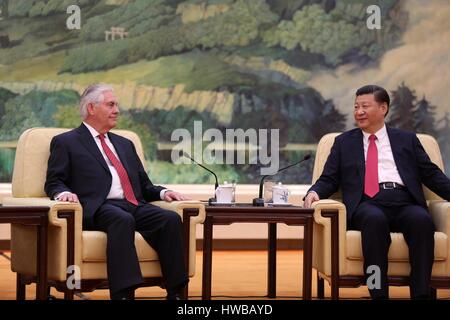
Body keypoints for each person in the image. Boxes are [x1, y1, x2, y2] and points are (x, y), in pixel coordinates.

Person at [45, 84, 191, 300]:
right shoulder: (67, 142)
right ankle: (124, 294)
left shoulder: (125, 143)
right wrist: (62, 194)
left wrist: (164, 193)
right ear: (92, 108)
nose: (117, 110)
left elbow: (144, 185)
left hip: (133, 204)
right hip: (98, 207)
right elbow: (54, 181)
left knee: (169, 219)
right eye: (111, 105)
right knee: (121, 220)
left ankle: (176, 292)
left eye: (117, 105)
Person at [303, 84, 450, 299]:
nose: (359, 112)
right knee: (374, 221)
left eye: (365, 106)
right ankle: (378, 292)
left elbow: (432, 176)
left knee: (422, 221)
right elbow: (329, 178)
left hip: (404, 201)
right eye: (356, 107)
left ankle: (421, 295)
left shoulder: (407, 140)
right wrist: (315, 192)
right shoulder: (343, 143)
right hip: (367, 204)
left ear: (383, 108)